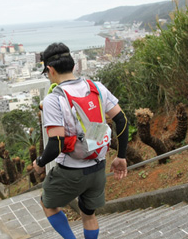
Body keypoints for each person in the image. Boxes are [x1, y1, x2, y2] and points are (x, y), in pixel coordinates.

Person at [33, 42, 128, 239]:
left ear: (50, 70)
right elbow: (121, 120)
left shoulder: (53, 99)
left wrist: (40, 163)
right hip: (98, 167)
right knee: (89, 214)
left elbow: (56, 143)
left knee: (47, 203)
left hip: (71, 171)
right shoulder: (97, 87)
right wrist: (121, 157)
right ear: (73, 65)